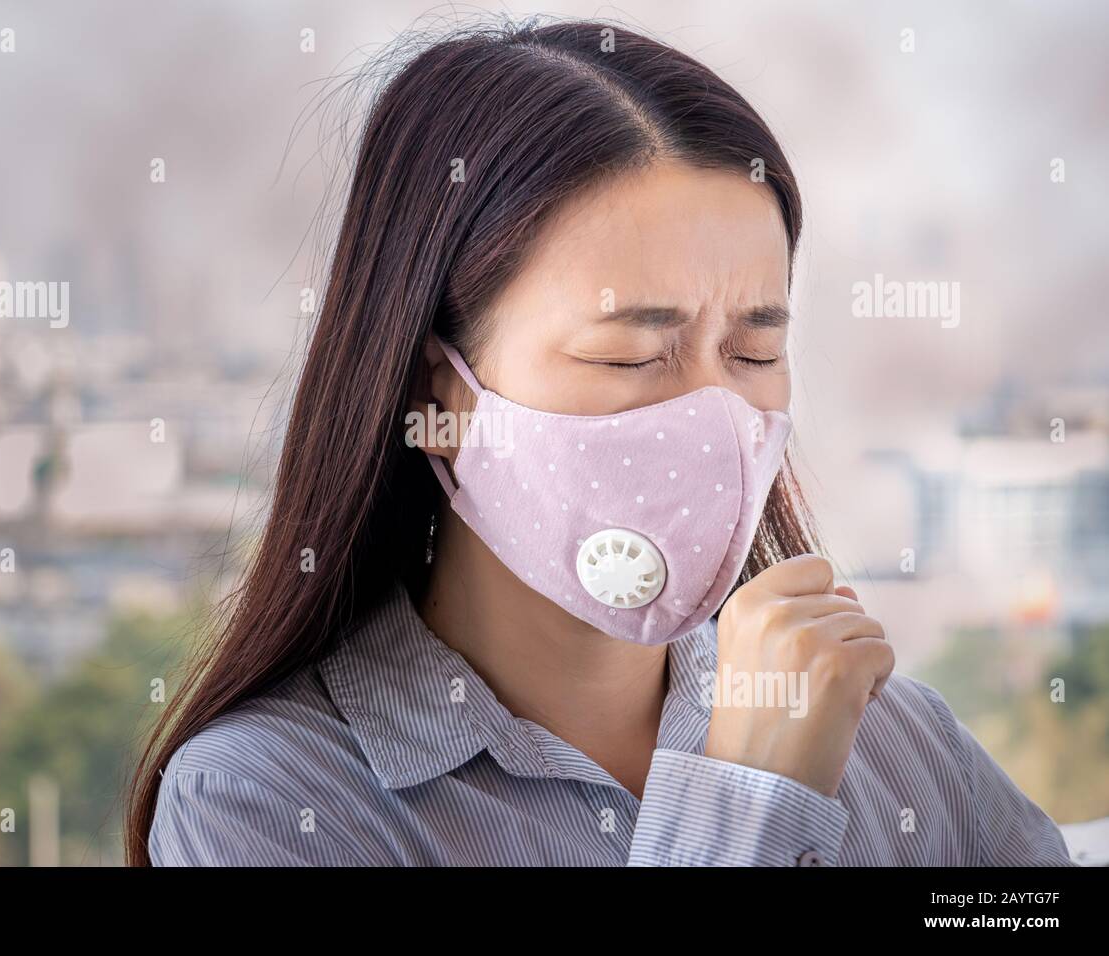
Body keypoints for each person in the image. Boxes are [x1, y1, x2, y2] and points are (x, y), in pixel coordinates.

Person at [127, 18, 1072, 867]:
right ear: (439, 389)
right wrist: (750, 811)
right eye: (629, 357)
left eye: (754, 351)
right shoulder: (268, 801)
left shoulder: (890, 738)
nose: (711, 422)